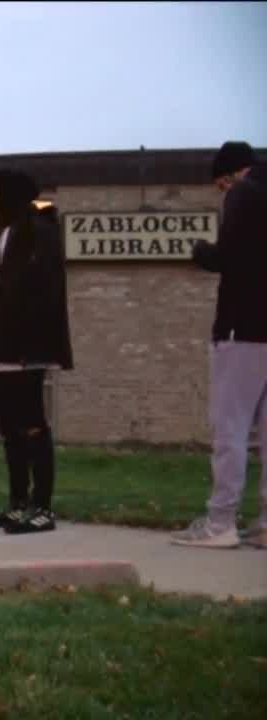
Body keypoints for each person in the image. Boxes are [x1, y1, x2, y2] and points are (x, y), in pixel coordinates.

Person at [172, 141, 267, 550]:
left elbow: (229, 256)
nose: (220, 193)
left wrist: (200, 252)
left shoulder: (243, 194)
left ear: (229, 175)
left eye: (219, 186)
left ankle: (220, 522)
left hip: (241, 329)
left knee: (230, 428)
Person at [0, 169, 73, 534]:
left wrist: (36, 343)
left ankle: (42, 507)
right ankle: (17, 503)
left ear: (9, 195)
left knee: (32, 425)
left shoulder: (39, 232)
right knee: (9, 428)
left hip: (26, 349)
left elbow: (45, 294)